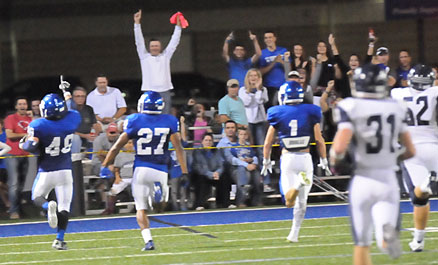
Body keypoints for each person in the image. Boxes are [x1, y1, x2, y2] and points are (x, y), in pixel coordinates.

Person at [331, 64, 416, 264]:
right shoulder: (395, 107)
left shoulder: (351, 106)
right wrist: (392, 156)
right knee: (383, 232)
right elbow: (411, 151)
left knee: (361, 243)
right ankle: (386, 238)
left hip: (363, 178)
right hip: (387, 179)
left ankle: (379, 237)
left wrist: (335, 161)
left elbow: (341, 146)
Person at [100, 91, 187, 251]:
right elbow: (178, 148)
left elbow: (116, 146)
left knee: (140, 208)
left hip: (141, 169)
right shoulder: (169, 120)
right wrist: (184, 171)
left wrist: (105, 164)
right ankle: (157, 196)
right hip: (160, 169)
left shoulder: (134, 120)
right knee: (160, 208)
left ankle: (148, 241)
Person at [261, 81, 330, 243]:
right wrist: (324, 159)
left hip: (288, 159)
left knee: (288, 201)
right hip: (306, 159)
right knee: (302, 202)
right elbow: (319, 140)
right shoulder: (310, 111)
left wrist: (266, 160)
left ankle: (298, 185)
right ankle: (294, 234)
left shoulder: (276, 112)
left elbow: (268, 142)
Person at [21, 93, 81, 250]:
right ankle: (59, 240)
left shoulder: (39, 124)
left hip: (47, 170)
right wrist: (67, 95)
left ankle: (48, 207)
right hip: (65, 171)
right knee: (64, 207)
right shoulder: (72, 118)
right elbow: (71, 108)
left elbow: (31, 147)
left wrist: (23, 144)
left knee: (37, 197)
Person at [391, 64, 438, 252]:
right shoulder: (435, 92)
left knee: (420, 198)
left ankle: (418, 240)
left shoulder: (397, 94)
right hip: (433, 146)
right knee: (422, 195)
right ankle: (417, 241)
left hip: (410, 149)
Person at [133, 10, 184, 114]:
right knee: (148, 116)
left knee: (164, 116)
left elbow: (174, 42)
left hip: (165, 91)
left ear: (160, 47)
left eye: (156, 46)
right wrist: (137, 24)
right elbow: (139, 41)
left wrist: (178, 27)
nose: (154, 48)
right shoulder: (144, 57)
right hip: (149, 91)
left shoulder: (165, 56)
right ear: (149, 47)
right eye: (152, 46)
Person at [4, 97, 33, 219]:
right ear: (16, 106)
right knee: (14, 183)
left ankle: (18, 209)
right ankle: (13, 211)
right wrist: (26, 135)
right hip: (12, 154)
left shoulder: (30, 119)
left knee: (21, 184)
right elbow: (9, 135)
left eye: (24, 104)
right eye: (20, 104)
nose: (22, 106)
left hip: (25, 154)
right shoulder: (11, 118)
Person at [100, 139, 135, 215]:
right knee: (113, 192)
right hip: (123, 178)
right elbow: (117, 168)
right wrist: (117, 177)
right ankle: (110, 209)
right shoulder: (120, 155)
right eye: (128, 143)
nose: (130, 145)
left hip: (135, 178)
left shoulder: (138, 154)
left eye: (131, 143)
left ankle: (138, 208)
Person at [230, 128, 262, 207]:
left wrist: (253, 162)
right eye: (241, 134)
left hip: (250, 166)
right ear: (238, 135)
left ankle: (256, 201)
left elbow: (254, 156)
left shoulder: (249, 147)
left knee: (257, 178)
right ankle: (241, 201)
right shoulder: (233, 146)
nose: (243, 136)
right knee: (244, 176)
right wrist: (245, 163)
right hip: (239, 168)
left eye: (245, 134)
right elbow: (233, 160)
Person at [192, 133, 224, 210]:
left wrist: (218, 173)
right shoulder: (197, 152)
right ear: (202, 142)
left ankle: (223, 204)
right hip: (203, 174)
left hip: (215, 174)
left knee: (225, 178)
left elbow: (221, 165)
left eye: (210, 140)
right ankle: (200, 204)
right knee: (200, 178)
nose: (208, 142)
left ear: (213, 142)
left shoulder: (217, 151)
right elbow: (198, 167)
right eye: (206, 140)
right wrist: (211, 174)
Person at [65, 87, 102, 153]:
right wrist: (85, 136)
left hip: (88, 135)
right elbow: (67, 130)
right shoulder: (68, 110)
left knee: (101, 137)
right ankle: (75, 160)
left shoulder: (89, 109)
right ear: (73, 97)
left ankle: (95, 159)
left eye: (83, 96)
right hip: (74, 136)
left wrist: (96, 133)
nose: (80, 98)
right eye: (78, 96)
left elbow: (94, 124)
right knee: (75, 138)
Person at [259, 31, 288, 106]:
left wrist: (281, 61)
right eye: (266, 38)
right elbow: (260, 72)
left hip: (283, 85)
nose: (268, 39)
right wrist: (274, 62)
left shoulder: (283, 50)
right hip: (269, 87)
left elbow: (289, 68)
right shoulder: (262, 53)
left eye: (270, 37)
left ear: (275, 38)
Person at [0, 120, 11, 213]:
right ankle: (7, 202)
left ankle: (16, 196)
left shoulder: (5, 135)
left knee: (0, 184)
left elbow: (8, 148)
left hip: (4, 165)